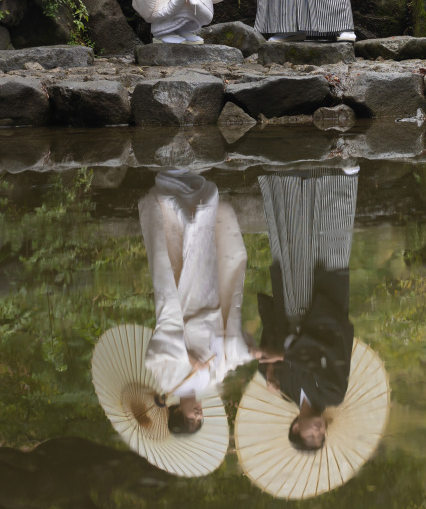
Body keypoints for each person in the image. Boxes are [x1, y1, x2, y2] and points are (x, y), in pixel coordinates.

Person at [138, 170, 263, 434]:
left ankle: (176, 196)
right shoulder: (208, 382)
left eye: (190, 419)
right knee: (205, 249)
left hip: (186, 306)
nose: (197, 415)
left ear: (175, 411)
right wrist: (248, 352)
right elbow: (228, 356)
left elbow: (157, 352)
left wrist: (188, 358)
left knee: (183, 249)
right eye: (199, 421)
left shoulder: (168, 380)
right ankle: (197, 196)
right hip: (212, 304)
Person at [255, 166, 359, 450]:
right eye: (321, 437)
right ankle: (342, 178)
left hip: (290, 307)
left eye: (310, 436)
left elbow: (269, 342)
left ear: (295, 427)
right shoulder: (333, 394)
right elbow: (323, 356)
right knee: (329, 246)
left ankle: (287, 180)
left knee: (292, 244)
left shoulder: (285, 389)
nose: (318, 432)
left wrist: (271, 370)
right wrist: (282, 355)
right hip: (323, 310)